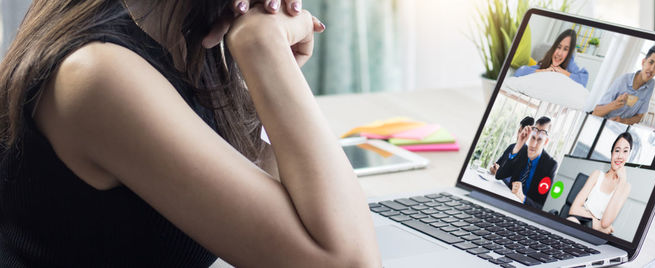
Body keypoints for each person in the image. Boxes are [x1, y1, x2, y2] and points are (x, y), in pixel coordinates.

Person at [0, 0, 381, 267]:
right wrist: (265, 50)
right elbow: (349, 263)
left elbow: (303, 211)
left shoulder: (189, 31)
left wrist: (272, 77)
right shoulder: (99, 73)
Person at [566, 132, 633, 234]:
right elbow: (574, 209)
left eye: (625, 151)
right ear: (612, 153)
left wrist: (621, 182)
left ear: (628, 155)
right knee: (572, 221)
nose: (620, 156)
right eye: (617, 150)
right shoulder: (597, 175)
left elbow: (606, 222)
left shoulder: (625, 187)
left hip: (594, 234)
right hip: (579, 221)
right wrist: (598, 225)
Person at [593, 44, 655, 125]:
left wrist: (623, 121)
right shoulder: (623, 80)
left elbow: (639, 116)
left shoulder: (651, 84)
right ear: (643, 62)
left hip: (621, 130)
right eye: (650, 62)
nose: (652, 69)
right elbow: (595, 112)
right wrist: (614, 105)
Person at [495, 116, 558, 208]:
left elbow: (542, 206)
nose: (533, 144)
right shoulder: (522, 150)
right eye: (533, 137)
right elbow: (499, 175)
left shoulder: (550, 165)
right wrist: (518, 145)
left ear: (546, 142)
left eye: (539, 139)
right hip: (506, 202)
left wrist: (522, 197)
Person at [514, 29, 589, 87]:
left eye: (565, 49)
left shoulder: (570, 66)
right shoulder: (546, 65)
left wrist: (561, 71)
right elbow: (519, 71)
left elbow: (583, 81)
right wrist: (544, 71)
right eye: (558, 47)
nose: (559, 53)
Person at [489, 116, 535, 182]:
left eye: (522, 132)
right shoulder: (511, 146)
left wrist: (498, 172)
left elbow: (513, 177)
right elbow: (496, 165)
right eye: (519, 131)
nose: (519, 135)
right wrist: (493, 168)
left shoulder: (526, 153)